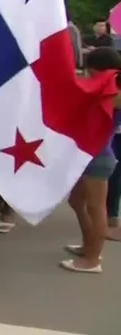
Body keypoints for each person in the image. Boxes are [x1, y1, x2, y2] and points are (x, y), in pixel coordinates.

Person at [61, 46, 121, 273]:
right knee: (76, 201)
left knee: (97, 208)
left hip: (99, 157)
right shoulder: (105, 87)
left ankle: (93, 259)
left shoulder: (113, 91)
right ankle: (88, 246)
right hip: (88, 156)